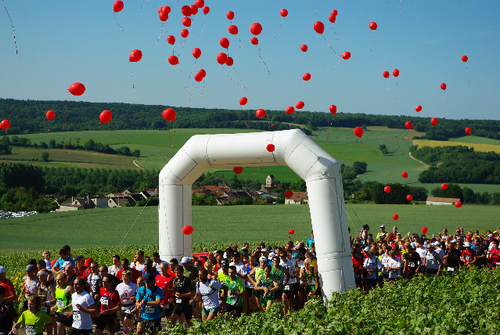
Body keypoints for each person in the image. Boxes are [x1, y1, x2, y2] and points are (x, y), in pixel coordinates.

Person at [116, 270, 138, 335]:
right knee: (129, 322)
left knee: (125, 321)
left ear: (130, 278)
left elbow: (139, 295)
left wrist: (134, 297)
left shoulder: (134, 286)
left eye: (126, 277)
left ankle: (124, 334)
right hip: (122, 306)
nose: (124, 278)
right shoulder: (119, 286)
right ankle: (132, 332)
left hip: (131, 306)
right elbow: (116, 295)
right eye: (123, 277)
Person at [35, 270, 55, 335]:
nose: (40, 277)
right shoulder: (38, 285)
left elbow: (55, 300)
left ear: (46, 276)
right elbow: (38, 295)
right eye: (39, 276)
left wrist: (46, 303)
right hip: (40, 311)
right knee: (40, 329)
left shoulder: (50, 286)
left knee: (49, 331)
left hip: (49, 311)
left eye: (42, 276)